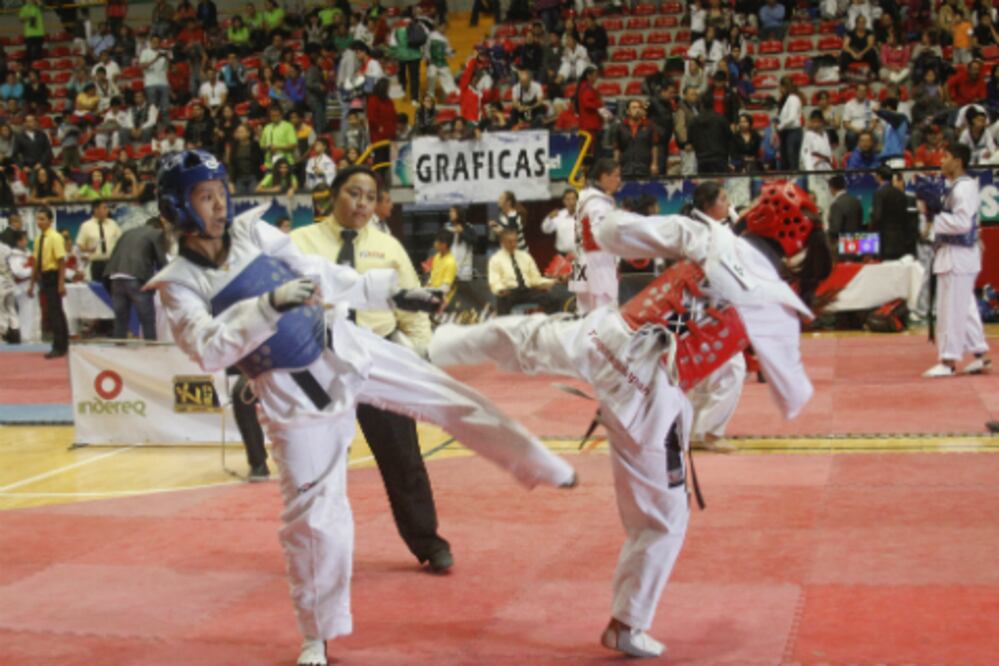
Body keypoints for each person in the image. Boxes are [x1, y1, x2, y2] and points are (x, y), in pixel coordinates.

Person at [146, 152, 578, 666]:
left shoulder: (253, 235)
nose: (219, 206)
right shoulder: (177, 283)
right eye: (205, 196)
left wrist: (395, 293)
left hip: (345, 347)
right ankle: (317, 636)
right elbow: (208, 348)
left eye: (220, 192)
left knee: (448, 396)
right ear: (179, 206)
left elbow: (323, 274)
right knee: (315, 520)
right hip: (291, 398)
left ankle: (533, 461)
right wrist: (268, 305)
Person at [428, 179, 828, 659]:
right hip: (649, 394)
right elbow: (792, 396)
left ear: (757, 214)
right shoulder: (777, 304)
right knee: (662, 522)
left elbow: (615, 233)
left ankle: (428, 349)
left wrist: (595, 208)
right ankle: (627, 623)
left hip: (612, 339)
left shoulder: (711, 236)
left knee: (520, 337)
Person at [291, 165, 455, 576]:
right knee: (321, 464)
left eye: (369, 196)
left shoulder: (388, 246)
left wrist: (417, 354)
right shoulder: (300, 243)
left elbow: (412, 309)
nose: (362, 203)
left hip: (378, 363)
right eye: (353, 193)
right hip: (321, 369)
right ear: (333, 194)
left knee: (404, 458)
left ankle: (428, 543)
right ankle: (320, 549)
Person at [916, 143, 992, 378]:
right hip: (957, 255)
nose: (941, 160)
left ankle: (948, 361)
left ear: (958, 161)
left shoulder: (964, 188)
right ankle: (980, 355)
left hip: (957, 255)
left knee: (949, 310)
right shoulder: (957, 187)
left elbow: (963, 223)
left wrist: (934, 215)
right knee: (965, 308)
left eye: (946, 156)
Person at [105, 217, 170, 340]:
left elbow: (114, 255)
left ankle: (118, 350)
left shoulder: (127, 233)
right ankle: (151, 351)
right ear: (159, 227)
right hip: (136, 277)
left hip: (115, 277)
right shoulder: (156, 233)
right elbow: (162, 261)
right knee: (147, 320)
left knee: (120, 321)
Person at [571, 158, 621, 315]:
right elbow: (599, 235)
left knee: (584, 313)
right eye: (616, 175)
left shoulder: (584, 198)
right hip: (598, 263)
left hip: (581, 261)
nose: (619, 180)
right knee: (605, 315)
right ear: (604, 177)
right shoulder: (598, 204)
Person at [488, 228, 562, 315]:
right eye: (510, 242)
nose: (513, 244)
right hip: (509, 292)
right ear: (502, 242)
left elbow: (535, 279)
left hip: (527, 291)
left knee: (554, 299)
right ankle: (505, 327)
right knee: (502, 302)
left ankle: (549, 324)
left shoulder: (525, 256)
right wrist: (500, 290)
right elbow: (494, 281)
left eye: (515, 241)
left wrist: (553, 281)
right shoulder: (495, 259)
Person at [28, 208, 69, 359]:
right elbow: (36, 262)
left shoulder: (55, 237)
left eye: (43, 219)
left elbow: (61, 261)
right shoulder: (39, 239)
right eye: (38, 219)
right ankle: (63, 344)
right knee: (54, 311)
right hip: (43, 276)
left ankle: (59, 346)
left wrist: (61, 283)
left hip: (53, 275)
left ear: (51, 221)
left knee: (55, 312)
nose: (39, 222)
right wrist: (32, 284)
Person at [870, 166, 914, 260]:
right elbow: (905, 219)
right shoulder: (900, 194)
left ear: (879, 177)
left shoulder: (879, 193)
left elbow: (877, 217)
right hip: (900, 241)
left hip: (884, 242)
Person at [76, 200, 122, 282]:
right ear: (96, 209)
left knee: (112, 288)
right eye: (104, 208)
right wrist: (89, 249)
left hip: (111, 262)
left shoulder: (113, 224)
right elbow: (80, 245)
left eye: (107, 208)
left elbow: (121, 240)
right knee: (98, 288)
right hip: (96, 263)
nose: (107, 210)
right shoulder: (86, 225)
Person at [800, 110, 834, 215]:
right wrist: (810, 170)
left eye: (818, 121)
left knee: (829, 195)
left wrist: (829, 161)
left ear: (822, 122)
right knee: (817, 195)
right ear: (810, 122)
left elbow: (829, 152)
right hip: (815, 167)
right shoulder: (808, 135)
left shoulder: (825, 134)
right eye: (813, 121)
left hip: (826, 166)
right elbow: (805, 153)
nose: (816, 124)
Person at [826, 174, 863, 243]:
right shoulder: (856, 201)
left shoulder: (836, 204)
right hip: (858, 242)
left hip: (843, 244)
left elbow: (835, 229)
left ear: (831, 188)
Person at [542, 189, 578, 256]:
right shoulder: (558, 215)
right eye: (568, 199)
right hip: (562, 255)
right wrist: (549, 218)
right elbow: (546, 230)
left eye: (573, 199)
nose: (571, 202)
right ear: (564, 201)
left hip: (580, 255)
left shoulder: (584, 214)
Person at [427, 230, 457, 297]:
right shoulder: (436, 256)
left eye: (437, 241)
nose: (434, 243)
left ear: (444, 244)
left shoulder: (451, 262)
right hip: (431, 293)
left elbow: (445, 288)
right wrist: (428, 286)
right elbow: (432, 276)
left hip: (440, 298)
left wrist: (429, 291)